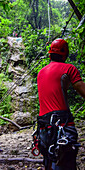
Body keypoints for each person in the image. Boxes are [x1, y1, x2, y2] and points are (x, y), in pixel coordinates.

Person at [37, 38, 85, 170]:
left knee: (50, 162)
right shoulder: (69, 68)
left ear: (50, 53)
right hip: (63, 125)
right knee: (65, 163)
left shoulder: (40, 73)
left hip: (44, 127)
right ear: (65, 53)